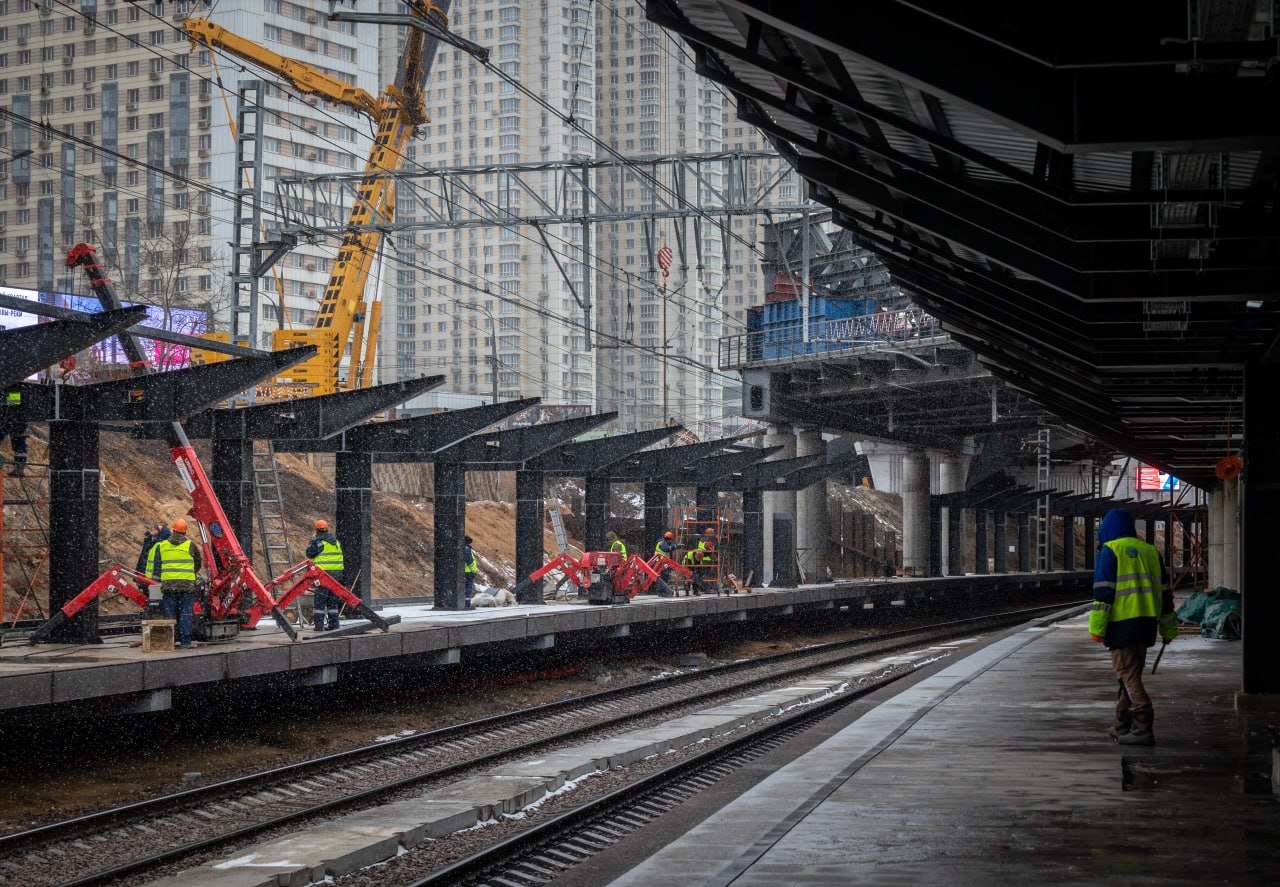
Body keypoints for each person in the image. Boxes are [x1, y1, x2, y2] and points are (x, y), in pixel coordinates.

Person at [1090, 507, 1178, 746]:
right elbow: (1165, 596)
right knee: (1129, 676)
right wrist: (1168, 630)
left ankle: (1142, 725)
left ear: (1107, 530)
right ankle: (1122, 724)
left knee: (1128, 676)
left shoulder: (1111, 551)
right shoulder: (1151, 552)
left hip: (1121, 625)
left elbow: (1103, 595)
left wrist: (1097, 629)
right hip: (1146, 625)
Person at [147, 517, 202, 649]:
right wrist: (190, 573)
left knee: (170, 614)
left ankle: (170, 641)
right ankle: (185, 641)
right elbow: (198, 563)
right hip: (187, 586)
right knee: (186, 613)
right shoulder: (190, 545)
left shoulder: (163, 546)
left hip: (168, 586)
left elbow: (158, 564)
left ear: (173, 530)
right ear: (185, 532)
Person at [306, 519, 345, 631]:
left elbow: (309, 554)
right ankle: (334, 624)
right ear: (327, 529)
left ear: (316, 530)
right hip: (337, 576)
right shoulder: (336, 542)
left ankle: (319, 626)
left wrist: (311, 542)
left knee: (320, 602)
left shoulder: (318, 542)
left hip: (323, 576)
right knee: (332, 601)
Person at [136, 522, 170, 617]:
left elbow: (156, 564)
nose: (153, 529)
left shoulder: (159, 545)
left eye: (156, 529)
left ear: (161, 533)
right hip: (147, 578)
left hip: (152, 579)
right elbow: (143, 560)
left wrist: (154, 579)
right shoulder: (150, 542)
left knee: (154, 603)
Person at [0, 389, 29, 476]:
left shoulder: (13, 391)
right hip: (16, 422)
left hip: (12, 422)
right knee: (19, 445)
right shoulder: (16, 390)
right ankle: (19, 468)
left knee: (19, 445)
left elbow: (11, 409)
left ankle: (19, 469)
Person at [462, 535, 478, 608]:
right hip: (468, 572)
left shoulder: (459, 548)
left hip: (461, 572)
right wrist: (474, 571)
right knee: (468, 588)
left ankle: (462, 603)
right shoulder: (467, 549)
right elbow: (470, 562)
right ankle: (466, 604)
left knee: (462, 588)